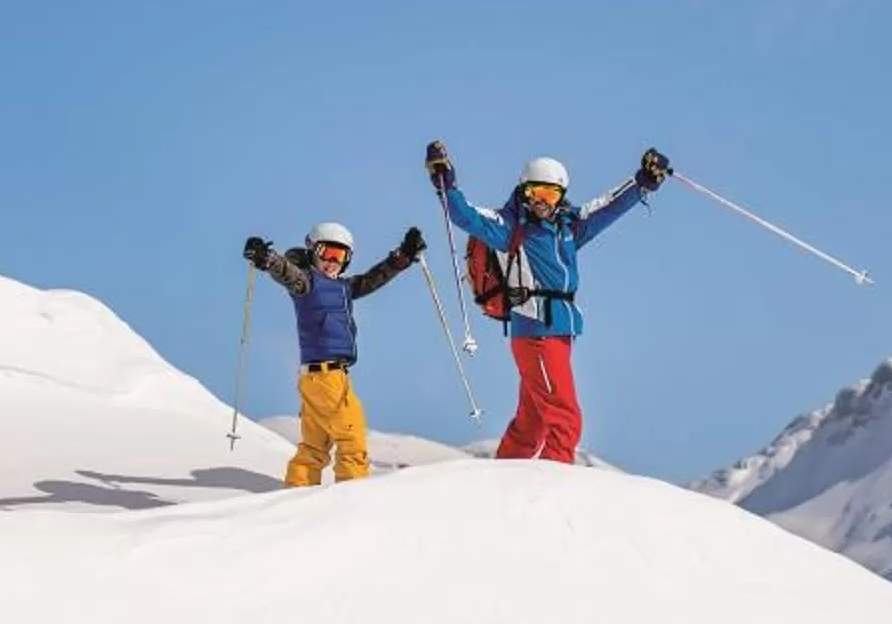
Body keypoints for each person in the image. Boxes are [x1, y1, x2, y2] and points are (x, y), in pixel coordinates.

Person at [426, 141, 669, 463]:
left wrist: (642, 182)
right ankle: (555, 493)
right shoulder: (509, 227)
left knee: (533, 422)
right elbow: (466, 216)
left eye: (551, 194)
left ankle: (503, 483)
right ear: (524, 191)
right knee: (565, 419)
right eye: (536, 192)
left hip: (559, 330)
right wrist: (446, 182)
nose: (542, 201)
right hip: (535, 332)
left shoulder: (569, 227)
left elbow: (606, 208)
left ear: (561, 195)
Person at [243, 220, 424, 487]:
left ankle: (295, 499)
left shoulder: (344, 288)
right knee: (352, 442)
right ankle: (352, 504)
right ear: (313, 251)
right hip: (328, 379)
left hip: (316, 379)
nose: (332, 261)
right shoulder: (306, 283)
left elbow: (373, 279)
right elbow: (287, 272)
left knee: (314, 448)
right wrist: (267, 258)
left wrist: (402, 257)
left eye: (340, 256)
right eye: (327, 253)